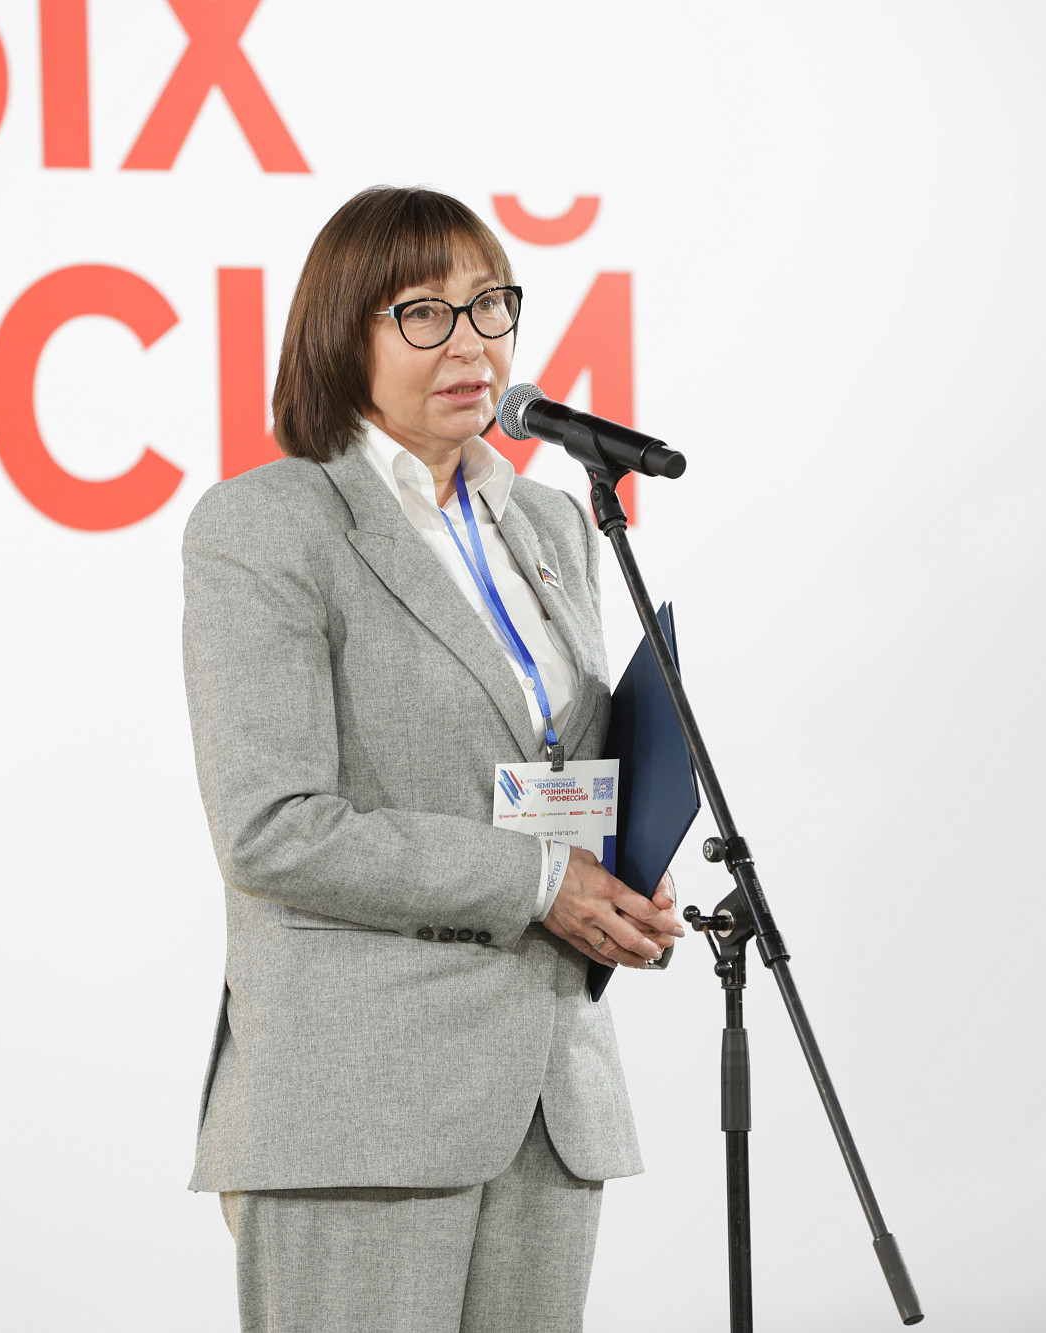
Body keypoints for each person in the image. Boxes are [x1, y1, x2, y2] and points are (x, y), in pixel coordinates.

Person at [180, 185, 684, 1333]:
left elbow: (557, 763)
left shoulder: (551, 523)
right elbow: (272, 827)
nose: (470, 343)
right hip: (362, 1098)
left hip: (550, 1092)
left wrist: (623, 871)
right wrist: (540, 882)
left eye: (490, 305)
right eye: (422, 312)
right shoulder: (271, 522)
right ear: (340, 334)